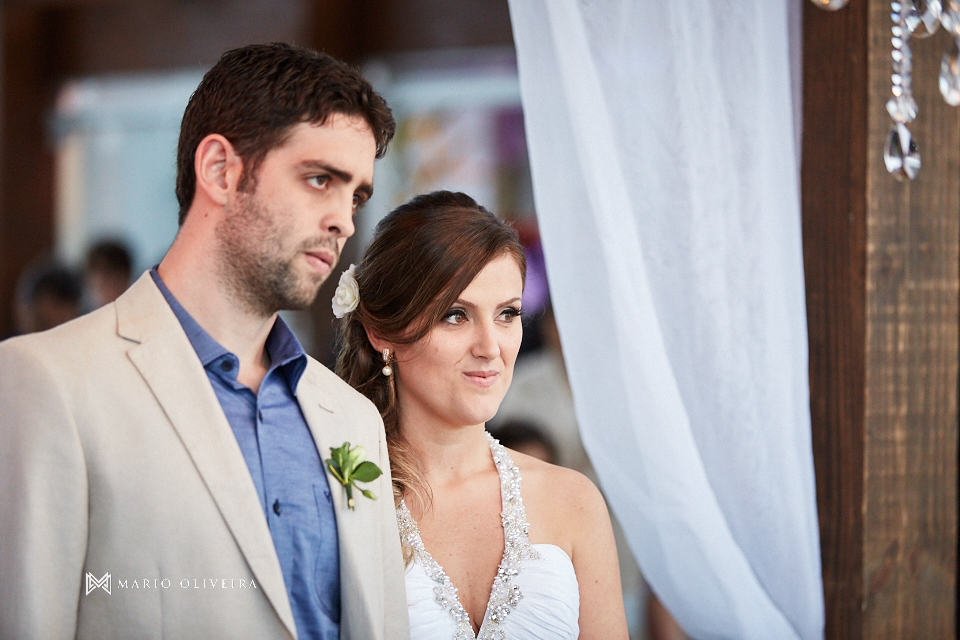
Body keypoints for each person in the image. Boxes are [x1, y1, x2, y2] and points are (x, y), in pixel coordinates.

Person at [0, 43, 407, 640]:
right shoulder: (47, 381)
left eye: (356, 196)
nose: (344, 219)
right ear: (220, 170)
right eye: (321, 179)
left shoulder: (351, 417)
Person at [335, 190, 629, 639]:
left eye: (507, 313)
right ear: (382, 332)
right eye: (456, 315)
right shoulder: (343, 497)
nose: (490, 348)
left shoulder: (574, 502)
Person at [83, 238, 133, 309]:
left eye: (117, 280)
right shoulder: (78, 316)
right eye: (106, 279)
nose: (111, 289)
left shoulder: (140, 314)